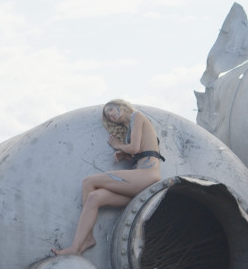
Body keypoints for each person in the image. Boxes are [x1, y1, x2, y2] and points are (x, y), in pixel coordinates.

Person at [53, 99, 164, 256]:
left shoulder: (136, 117)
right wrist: (126, 156)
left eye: (112, 109)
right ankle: (80, 244)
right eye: (107, 114)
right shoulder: (129, 128)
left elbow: (135, 147)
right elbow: (139, 152)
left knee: (88, 182)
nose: (110, 114)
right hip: (137, 183)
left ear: (122, 106)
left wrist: (120, 146)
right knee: (94, 197)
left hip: (147, 176)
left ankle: (84, 239)